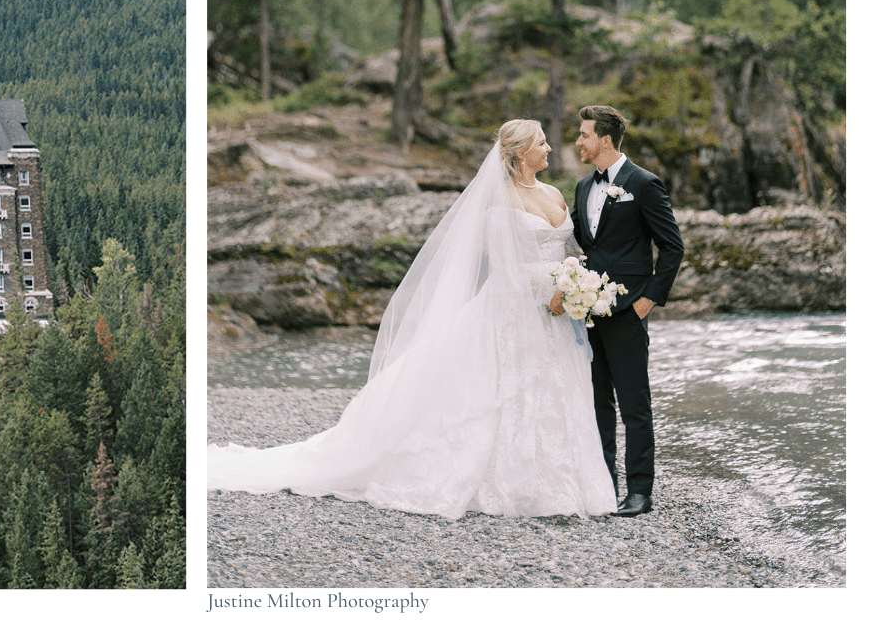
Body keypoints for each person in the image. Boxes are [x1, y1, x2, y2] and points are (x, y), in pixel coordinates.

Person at [207, 120, 613, 518]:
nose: (548, 149)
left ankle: (562, 480)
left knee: (555, 390)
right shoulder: (500, 200)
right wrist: (550, 291)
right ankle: (513, 483)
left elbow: (568, 250)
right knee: (505, 392)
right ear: (521, 152)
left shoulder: (555, 194)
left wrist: (575, 284)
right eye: (541, 143)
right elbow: (504, 266)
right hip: (516, 308)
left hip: (558, 314)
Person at [571, 104, 683, 517]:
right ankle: (604, 485)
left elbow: (672, 246)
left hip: (628, 310)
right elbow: (581, 243)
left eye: (584, 135)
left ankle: (640, 491)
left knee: (635, 404)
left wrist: (647, 300)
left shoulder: (645, 184)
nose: (578, 141)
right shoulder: (584, 188)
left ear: (604, 139)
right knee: (598, 402)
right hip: (587, 311)